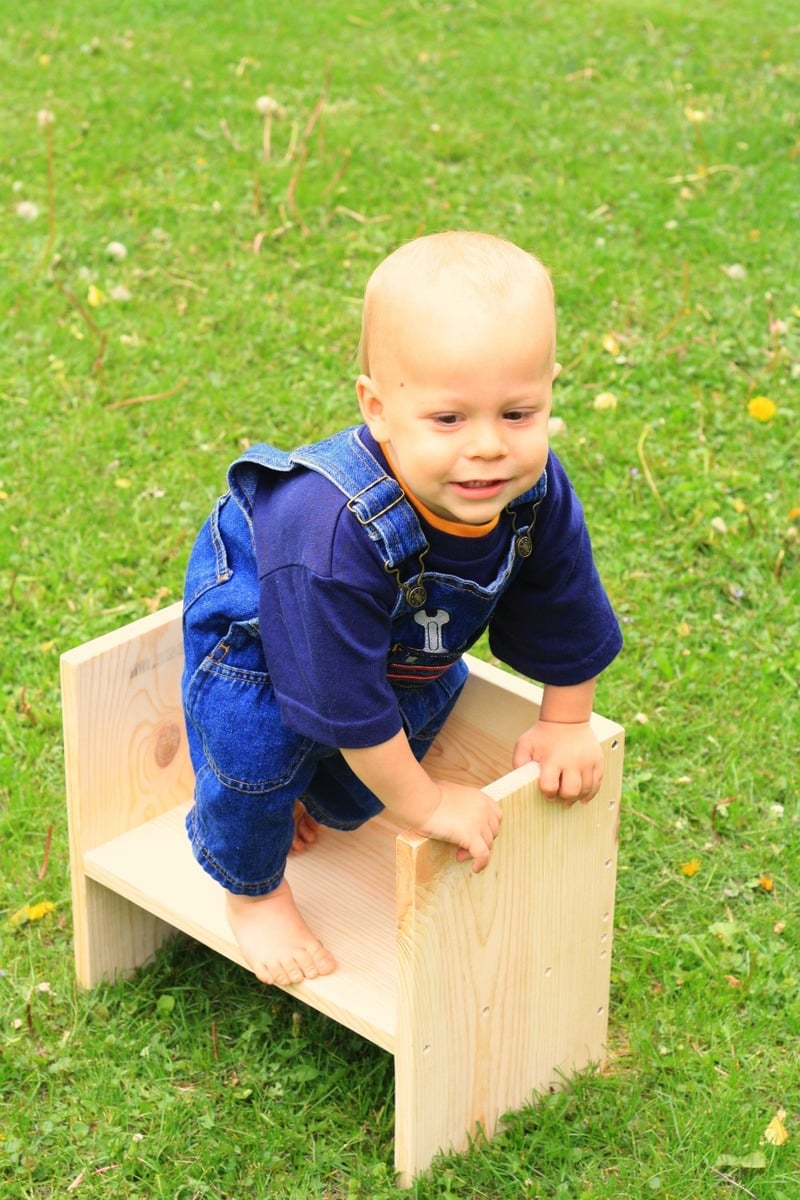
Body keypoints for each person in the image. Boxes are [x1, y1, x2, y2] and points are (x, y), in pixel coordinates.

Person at [181, 231, 622, 990]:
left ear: (552, 390)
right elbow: (342, 702)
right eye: (449, 420)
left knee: (378, 762)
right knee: (256, 751)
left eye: (518, 414)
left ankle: (310, 795)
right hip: (265, 626)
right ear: (378, 409)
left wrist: (564, 721)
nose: (487, 448)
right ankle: (251, 891)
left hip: (397, 643)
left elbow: (565, 603)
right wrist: (424, 805)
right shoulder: (330, 532)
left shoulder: (534, 491)